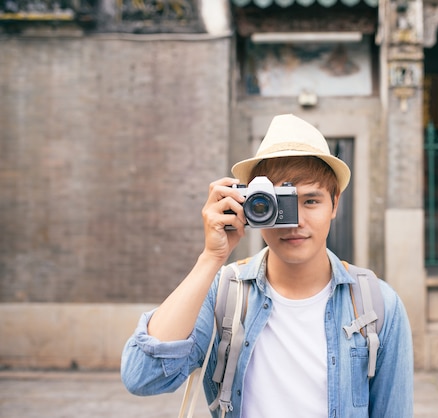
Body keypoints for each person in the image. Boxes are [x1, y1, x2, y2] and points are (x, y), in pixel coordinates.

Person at [121, 114, 414, 417]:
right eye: (276, 204)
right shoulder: (224, 294)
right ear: (249, 205)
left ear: (335, 204)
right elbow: (142, 376)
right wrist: (210, 258)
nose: (296, 221)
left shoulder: (378, 305)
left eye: (311, 201)